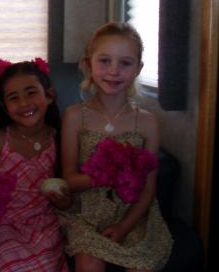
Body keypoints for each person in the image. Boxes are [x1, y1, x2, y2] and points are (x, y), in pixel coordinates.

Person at [60, 22, 173, 271]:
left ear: (138, 69)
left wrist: (124, 226)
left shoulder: (147, 122)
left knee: (141, 267)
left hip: (132, 213)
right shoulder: (75, 116)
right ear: (89, 64)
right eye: (104, 61)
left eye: (125, 63)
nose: (114, 71)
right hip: (86, 213)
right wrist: (106, 174)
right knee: (88, 263)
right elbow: (69, 180)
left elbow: (148, 188)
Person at [0, 59, 70, 272]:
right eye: (14, 98)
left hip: (44, 222)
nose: (24, 103)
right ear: (4, 106)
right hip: (3, 223)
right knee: (9, 265)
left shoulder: (59, 138)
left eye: (31, 93)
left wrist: (64, 201)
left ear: (49, 96)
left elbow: (66, 194)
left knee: (46, 265)